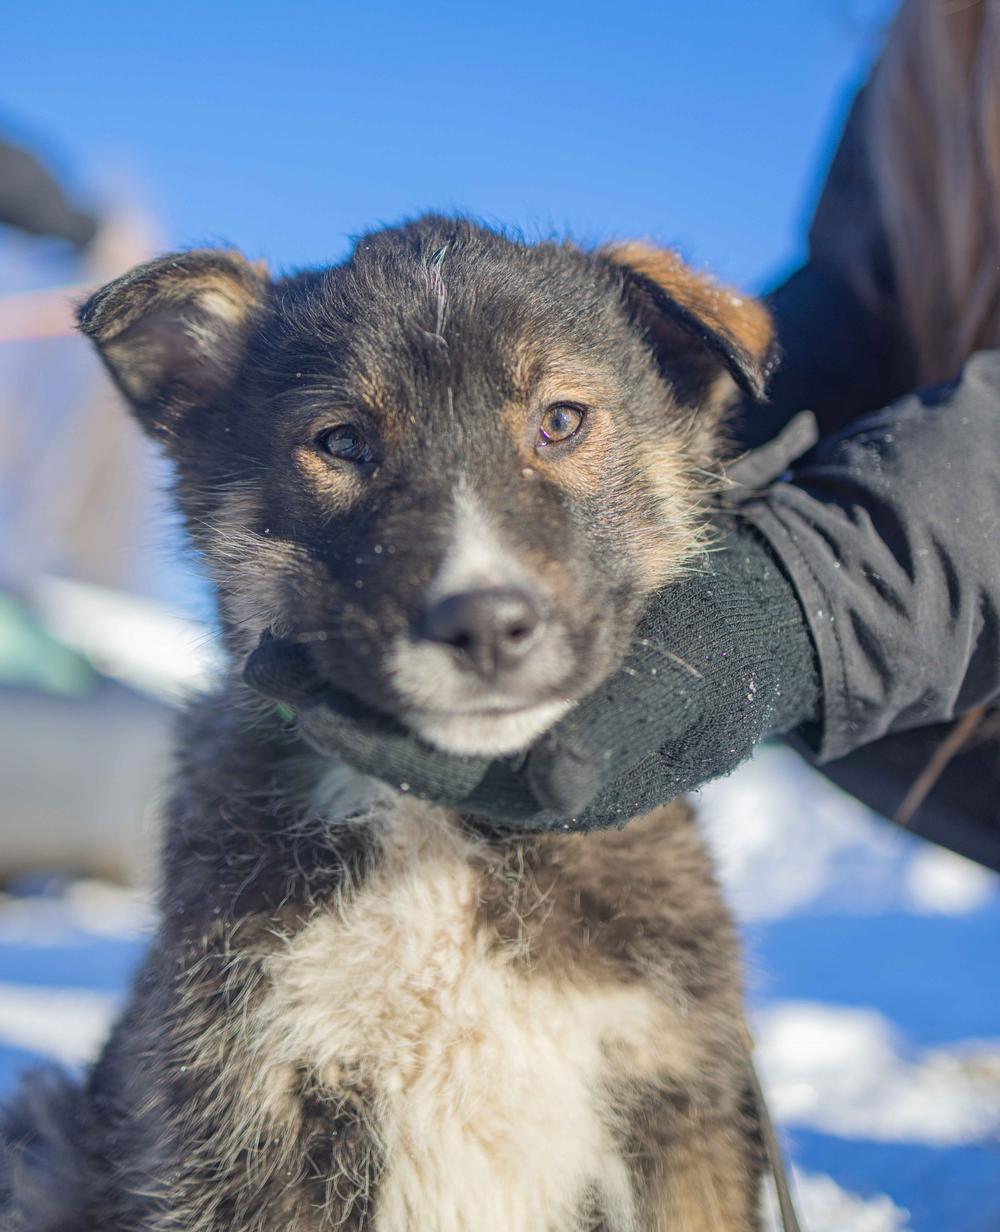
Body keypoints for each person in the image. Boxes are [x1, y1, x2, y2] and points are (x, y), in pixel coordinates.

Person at [245, 0, 1000, 873]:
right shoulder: (923, 58)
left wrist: (795, 600)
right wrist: (697, 467)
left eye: (558, 422)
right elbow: (855, 322)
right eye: (341, 445)